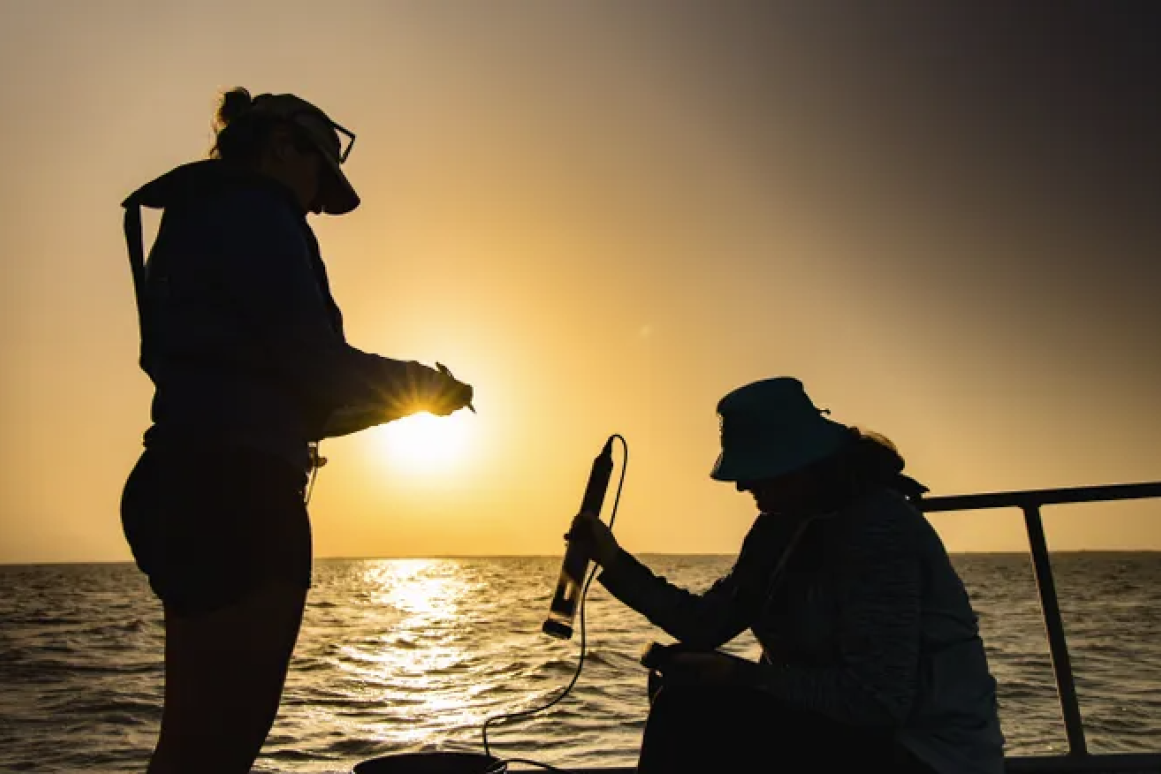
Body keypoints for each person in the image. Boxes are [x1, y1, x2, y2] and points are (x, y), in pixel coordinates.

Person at [118, 87, 475, 774]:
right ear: (282, 147)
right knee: (220, 752)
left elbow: (290, 391)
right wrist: (426, 384)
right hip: (238, 498)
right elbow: (318, 366)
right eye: (318, 175)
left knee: (188, 748)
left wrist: (414, 404)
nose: (316, 202)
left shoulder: (198, 219)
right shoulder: (256, 212)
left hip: (179, 480)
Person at [568, 376, 1005, 774]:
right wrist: (613, 559)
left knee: (686, 714)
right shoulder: (778, 525)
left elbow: (878, 701)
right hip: (835, 726)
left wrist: (743, 678)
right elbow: (707, 623)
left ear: (800, 463)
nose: (742, 486)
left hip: (924, 751)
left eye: (755, 470)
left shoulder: (878, 528)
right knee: (683, 695)